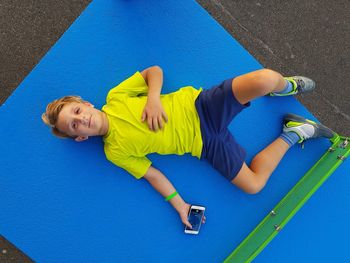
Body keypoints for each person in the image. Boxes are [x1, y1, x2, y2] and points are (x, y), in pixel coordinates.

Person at [42, 66, 334, 229]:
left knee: (266, 79)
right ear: (80, 138)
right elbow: (153, 175)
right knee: (253, 184)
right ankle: (295, 133)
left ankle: (286, 87)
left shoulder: (116, 97)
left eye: (77, 113)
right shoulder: (114, 152)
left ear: (85, 104)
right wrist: (179, 204)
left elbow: (153, 71)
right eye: (75, 126)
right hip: (204, 145)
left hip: (201, 107)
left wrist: (153, 98)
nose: (82, 121)